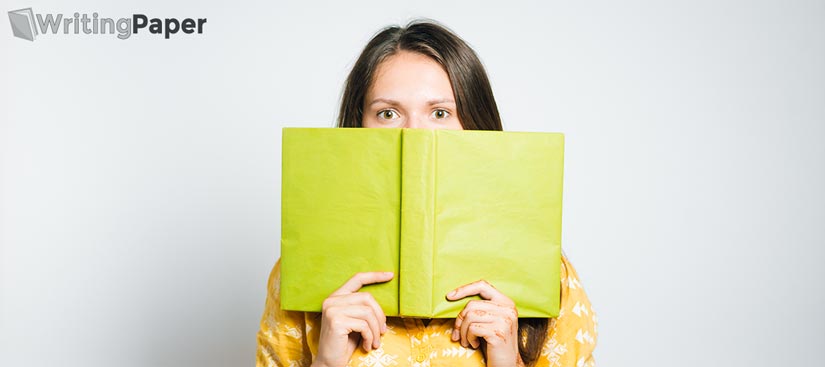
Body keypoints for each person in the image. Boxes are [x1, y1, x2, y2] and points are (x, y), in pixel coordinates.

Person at [257, 20, 597, 367]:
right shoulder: (301, 269)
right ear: (357, 126)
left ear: (475, 125)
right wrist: (326, 364)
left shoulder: (548, 273)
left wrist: (508, 361)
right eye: (387, 113)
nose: (415, 134)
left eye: (440, 112)